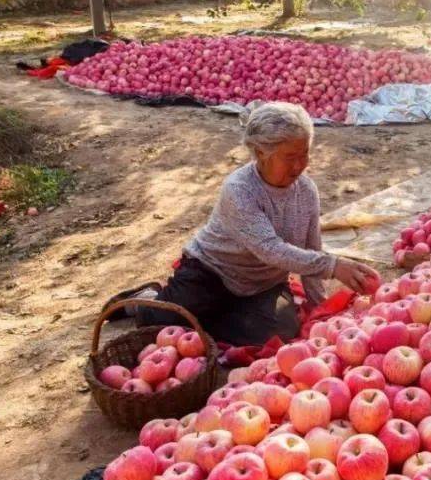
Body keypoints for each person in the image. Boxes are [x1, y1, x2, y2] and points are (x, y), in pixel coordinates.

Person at [112, 102, 379, 345]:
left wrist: (320, 309)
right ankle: (146, 302)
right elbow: (270, 249)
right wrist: (333, 266)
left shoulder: (306, 191)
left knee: (278, 333)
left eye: (305, 154)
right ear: (262, 153)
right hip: (211, 273)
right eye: (290, 157)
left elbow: (311, 249)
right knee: (161, 326)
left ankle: (205, 315)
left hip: (264, 284)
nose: (299, 166)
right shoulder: (239, 190)